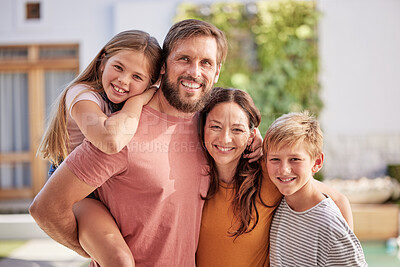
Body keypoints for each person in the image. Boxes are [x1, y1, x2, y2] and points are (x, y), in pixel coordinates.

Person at [30, 19, 229, 267]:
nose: (195, 72)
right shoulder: (120, 131)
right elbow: (46, 209)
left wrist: (254, 141)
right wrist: (97, 254)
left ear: (217, 71)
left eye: (206, 63)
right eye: (184, 59)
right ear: (164, 66)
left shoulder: (211, 130)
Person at [36, 30, 162, 265]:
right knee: (118, 260)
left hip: (109, 188)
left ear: (150, 82)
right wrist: (139, 99)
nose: (124, 80)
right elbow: (109, 140)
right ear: (103, 61)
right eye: (119, 67)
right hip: (80, 194)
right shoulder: (82, 95)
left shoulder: (121, 103)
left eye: (137, 77)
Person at [196, 87, 353, 267]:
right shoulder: (194, 174)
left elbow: (339, 200)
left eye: (237, 130)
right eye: (215, 126)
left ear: (251, 136)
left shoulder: (270, 173)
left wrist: (344, 249)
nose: (225, 139)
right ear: (203, 129)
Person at [264, 111, 367, 266]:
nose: (284, 169)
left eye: (295, 159)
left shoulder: (330, 227)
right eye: (275, 159)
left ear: (317, 162)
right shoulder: (279, 201)